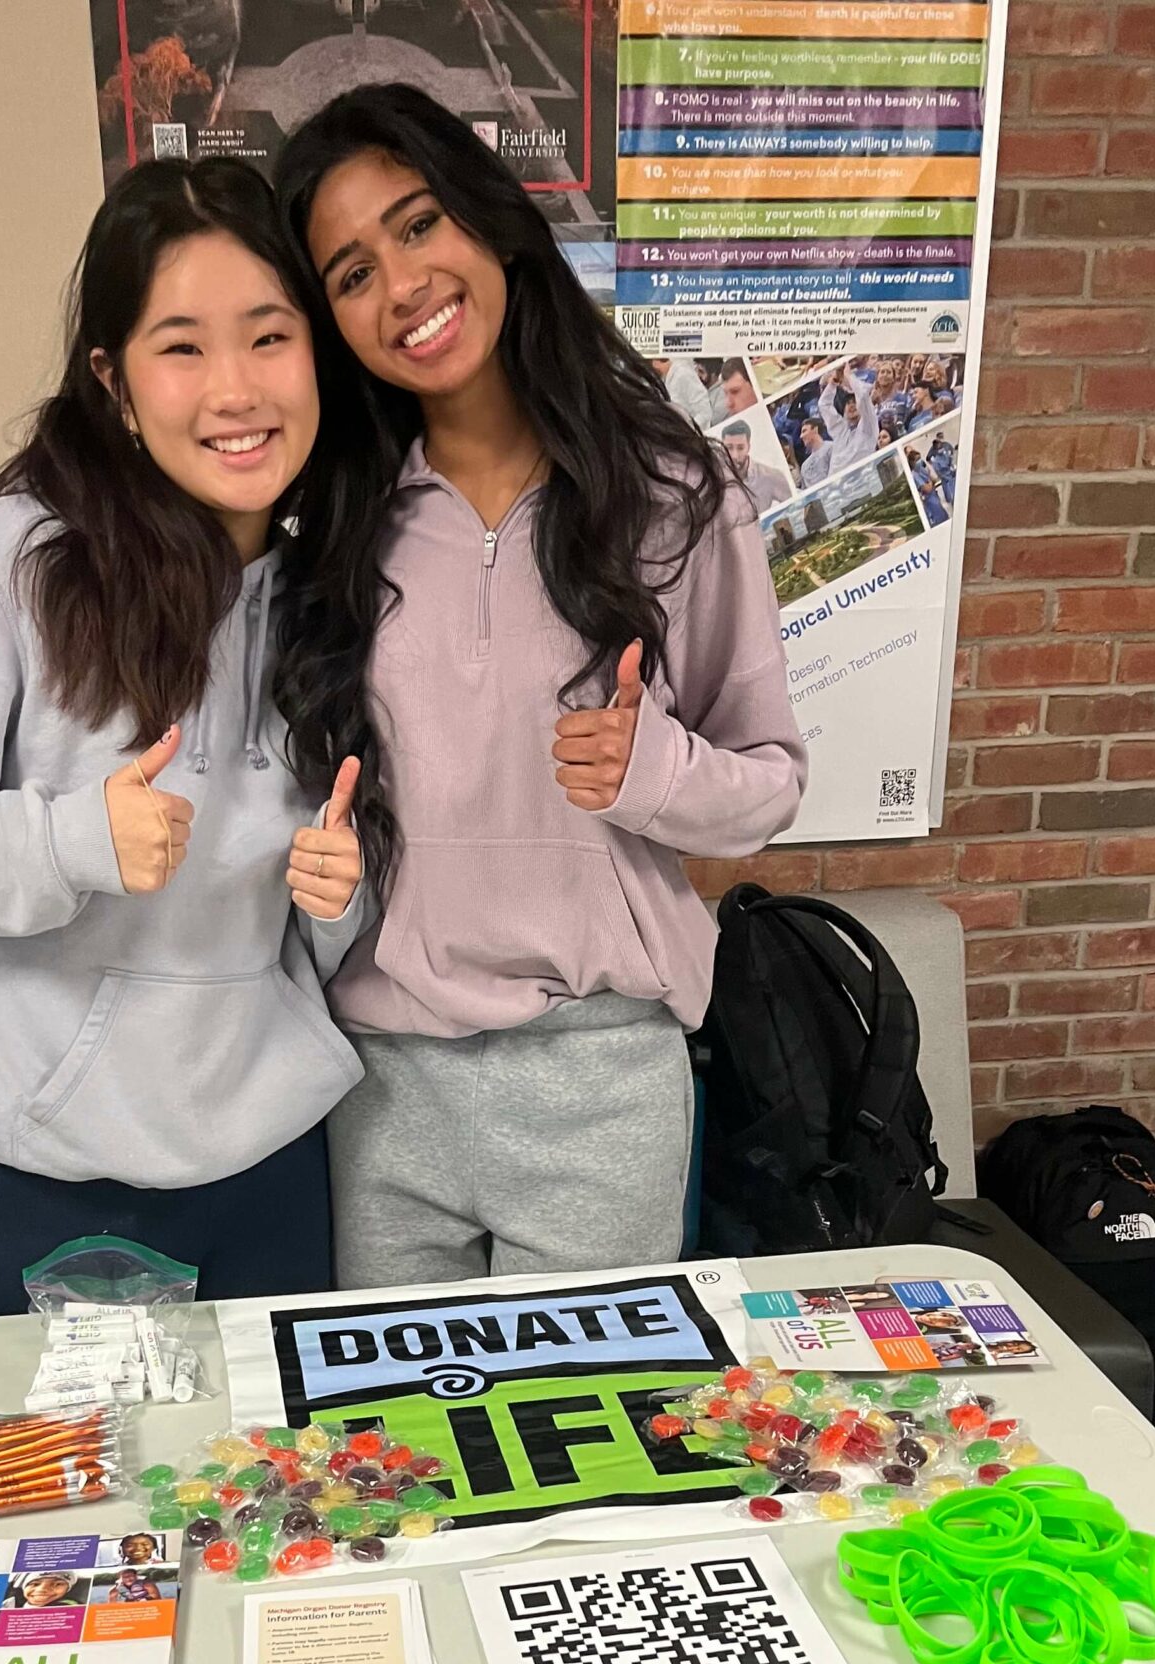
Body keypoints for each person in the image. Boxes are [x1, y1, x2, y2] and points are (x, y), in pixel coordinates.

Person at [275, 85, 805, 1283]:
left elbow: (768, 783)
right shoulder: (330, 529)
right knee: (397, 1461)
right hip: (381, 1088)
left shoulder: (673, 496)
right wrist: (323, 881)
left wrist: (652, 768)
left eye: (418, 227)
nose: (401, 286)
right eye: (350, 273)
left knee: (588, 1459)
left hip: (601, 1085)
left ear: (490, 220)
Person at [0, 163, 367, 1316]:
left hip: (277, 1168)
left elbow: (303, 925)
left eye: (270, 337)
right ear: (113, 380)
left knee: (296, 1499)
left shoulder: (327, 588)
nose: (235, 389)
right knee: (77, 1505)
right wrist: (73, 840)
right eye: (182, 347)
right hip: (57, 1185)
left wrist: (340, 895)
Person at [718, 418, 783, 514]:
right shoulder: (715, 482)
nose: (734, 456)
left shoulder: (770, 476)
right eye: (729, 447)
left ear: (748, 447)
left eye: (740, 448)